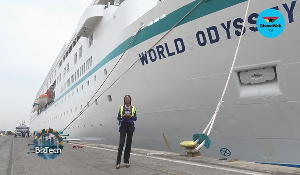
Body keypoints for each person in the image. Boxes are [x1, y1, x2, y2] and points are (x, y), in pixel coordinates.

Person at [116, 95, 137, 169]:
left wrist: (130, 116)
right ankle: (118, 162)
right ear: (124, 100)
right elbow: (118, 118)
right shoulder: (121, 108)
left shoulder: (133, 108)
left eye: (128, 99)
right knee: (121, 143)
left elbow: (135, 118)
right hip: (123, 125)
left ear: (130, 100)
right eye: (126, 99)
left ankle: (126, 161)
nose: (127, 100)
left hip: (130, 125)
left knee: (128, 143)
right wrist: (123, 116)